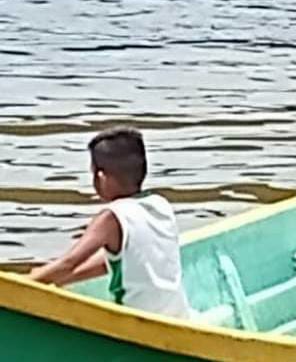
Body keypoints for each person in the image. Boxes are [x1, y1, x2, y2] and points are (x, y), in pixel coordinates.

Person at [30, 127, 190, 319]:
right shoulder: (160, 205)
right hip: (179, 317)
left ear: (101, 177)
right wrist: (62, 278)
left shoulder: (111, 217)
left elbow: (69, 262)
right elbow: (116, 262)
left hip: (139, 323)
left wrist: (28, 281)